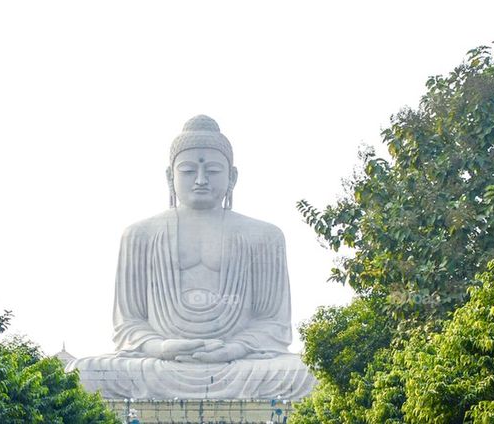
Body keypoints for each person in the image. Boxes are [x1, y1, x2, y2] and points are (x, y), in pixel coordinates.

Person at [67, 115, 314, 400]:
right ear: (169, 176)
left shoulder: (265, 236)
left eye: (212, 170)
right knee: (82, 374)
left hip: (240, 365)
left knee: (309, 374)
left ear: (232, 176)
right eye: (187, 171)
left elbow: (272, 322)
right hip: (161, 365)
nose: (200, 180)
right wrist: (162, 347)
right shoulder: (139, 234)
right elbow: (129, 323)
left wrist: (234, 348)